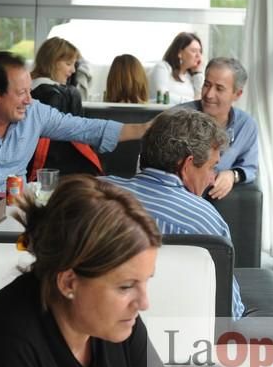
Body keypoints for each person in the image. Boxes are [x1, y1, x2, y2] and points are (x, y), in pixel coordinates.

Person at [0, 175, 163, 367]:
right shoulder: (3, 354)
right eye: (125, 286)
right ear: (68, 283)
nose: (143, 303)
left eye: (145, 281)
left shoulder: (117, 322)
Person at [0, 51, 150, 192]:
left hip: (16, 212)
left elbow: (86, 129)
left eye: (29, 91)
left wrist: (145, 128)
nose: (29, 100)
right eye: (21, 93)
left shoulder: (34, 112)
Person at [102, 109, 245, 319]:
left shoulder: (96, 191)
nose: (213, 179)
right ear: (186, 166)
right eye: (211, 167)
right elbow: (228, 312)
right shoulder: (206, 221)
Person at [175, 58, 258, 200]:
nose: (209, 94)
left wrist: (233, 175)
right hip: (177, 196)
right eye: (206, 85)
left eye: (219, 88)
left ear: (237, 94)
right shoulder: (177, 116)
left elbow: (250, 168)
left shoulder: (245, 125)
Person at [28, 37, 103, 178]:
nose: (73, 70)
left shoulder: (26, 88)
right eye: (69, 64)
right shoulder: (56, 95)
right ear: (52, 62)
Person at [149, 32, 203, 105]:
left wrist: (197, 73)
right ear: (179, 53)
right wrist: (191, 102)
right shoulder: (163, 67)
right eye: (193, 51)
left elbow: (200, 101)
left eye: (200, 51)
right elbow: (162, 97)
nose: (198, 55)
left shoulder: (190, 76)